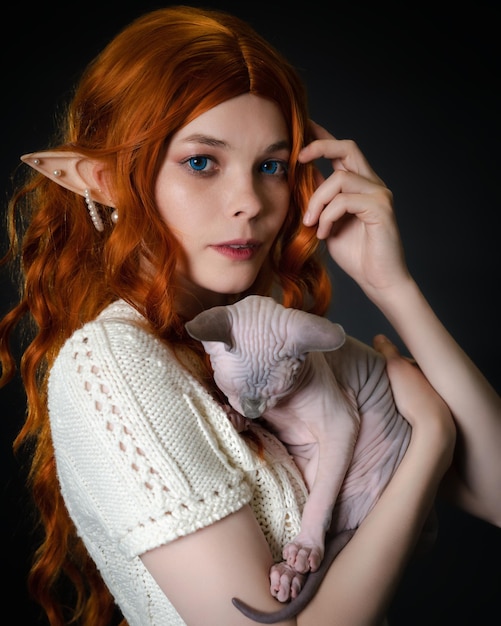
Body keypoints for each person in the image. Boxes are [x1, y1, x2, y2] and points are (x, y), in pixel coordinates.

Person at [0, 5, 499, 626]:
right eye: (202, 162)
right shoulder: (113, 364)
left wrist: (389, 285)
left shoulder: (269, 337)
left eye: (271, 166)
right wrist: (431, 438)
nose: (250, 203)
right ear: (107, 180)